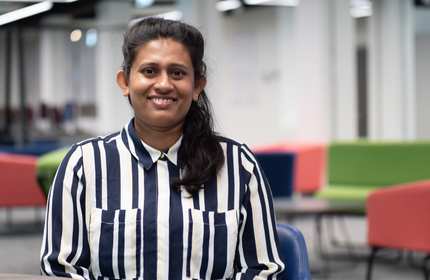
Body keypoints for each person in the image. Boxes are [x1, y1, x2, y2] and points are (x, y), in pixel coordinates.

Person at [40, 17, 284, 279]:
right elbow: (61, 270)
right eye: (149, 71)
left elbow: (262, 270)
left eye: (177, 73)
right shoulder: (83, 165)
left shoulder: (238, 166)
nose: (164, 84)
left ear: (197, 86)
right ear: (125, 81)